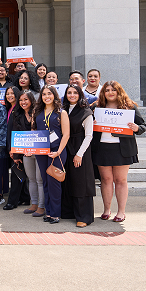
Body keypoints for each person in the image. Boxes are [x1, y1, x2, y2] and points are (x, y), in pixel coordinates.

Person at [91, 81, 146, 223]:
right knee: (106, 180)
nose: (110, 92)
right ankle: (106, 210)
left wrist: (136, 128)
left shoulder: (129, 107)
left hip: (123, 149)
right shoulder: (97, 107)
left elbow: (143, 125)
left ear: (118, 91)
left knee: (120, 180)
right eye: (107, 90)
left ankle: (121, 212)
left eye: (113, 90)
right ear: (103, 93)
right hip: (102, 148)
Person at [34, 85, 70, 224]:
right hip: (42, 152)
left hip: (57, 151)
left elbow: (66, 134)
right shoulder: (37, 112)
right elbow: (35, 132)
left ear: (55, 95)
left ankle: (55, 214)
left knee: (54, 182)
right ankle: (48, 212)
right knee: (46, 182)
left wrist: (59, 152)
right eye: (44, 94)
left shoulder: (61, 112)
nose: (46, 96)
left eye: (49, 94)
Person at [61, 85, 95, 227]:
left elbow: (89, 136)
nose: (72, 95)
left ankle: (84, 216)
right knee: (68, 180)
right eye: (69, 93)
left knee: (81, 182)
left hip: (81, 149)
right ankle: (69, 212)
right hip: (66, 148)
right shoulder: (63, 110)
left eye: (75, 93)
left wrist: (79, 154)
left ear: (80, 94)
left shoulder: (86, 111)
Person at [11, 91, 45, 216]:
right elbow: (16, 134)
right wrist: (16, 155)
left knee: (39, 179)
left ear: (31, 100)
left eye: (25, 99)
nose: (23, 102)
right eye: (20, 100)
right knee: (31, 179)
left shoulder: (39, 113)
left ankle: (42, 207)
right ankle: (34, 204)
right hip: (26, 153)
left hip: (40, 151)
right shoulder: (17, 114)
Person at [3, 87, 31, 210]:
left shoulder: (18, 111)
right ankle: (24, 197)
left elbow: (14, 131)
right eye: (7, 94)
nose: (10, 96)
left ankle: (12, 201)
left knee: (16, 173)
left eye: (12, 94)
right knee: (19, 172)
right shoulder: (10, 109)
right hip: (13, 146)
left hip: (21, 147)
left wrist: (13, 149)